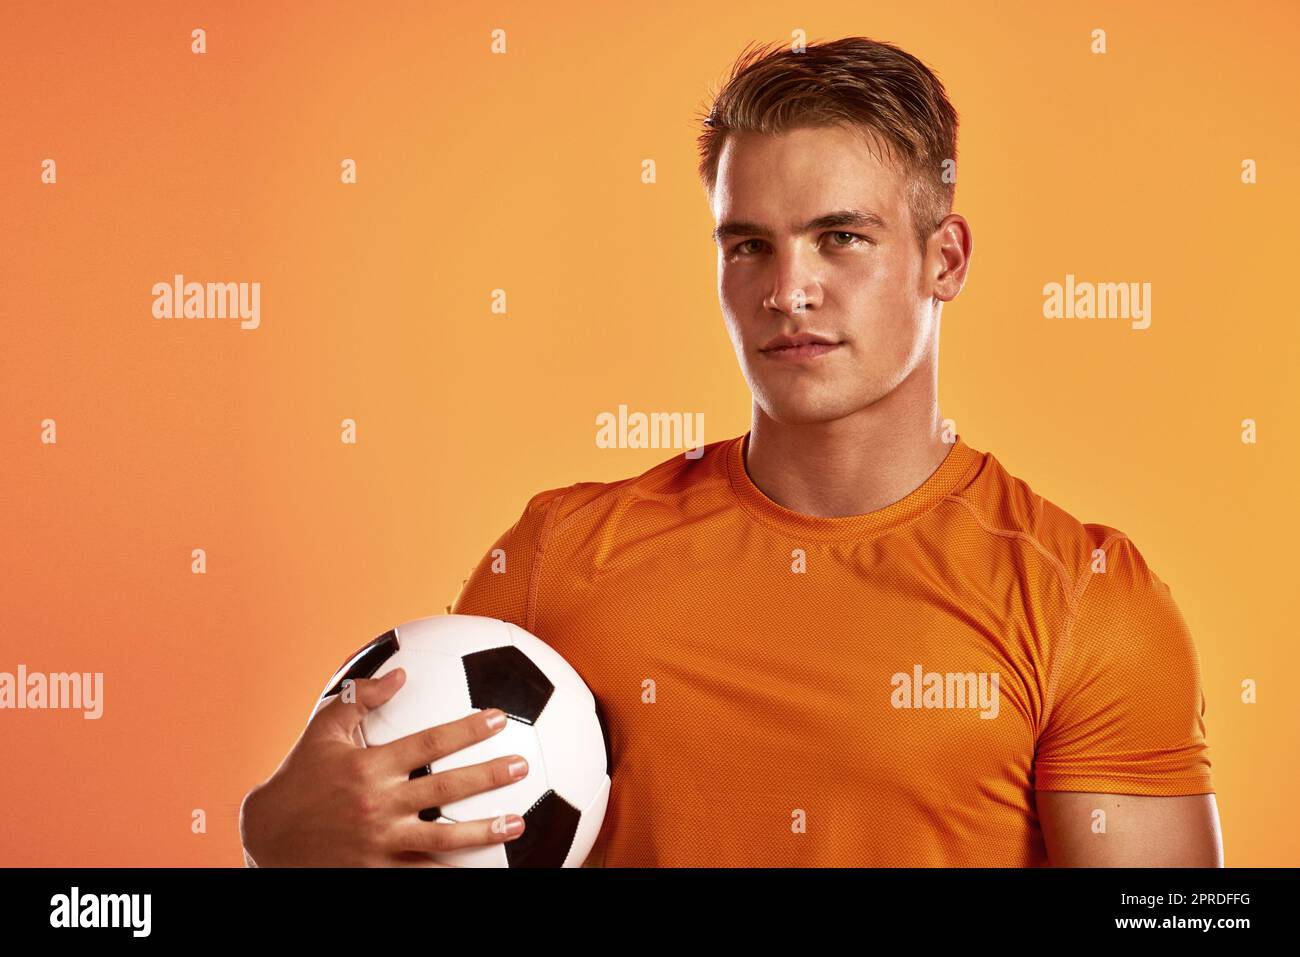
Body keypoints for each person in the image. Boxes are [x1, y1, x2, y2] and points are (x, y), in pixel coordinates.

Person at [240, 35, 1222, 868]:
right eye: (748, 245)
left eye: (840, 238)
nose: (787, 290)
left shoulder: (1087, 600)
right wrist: (276, 834)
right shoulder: (558, 552)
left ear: (944, 259)